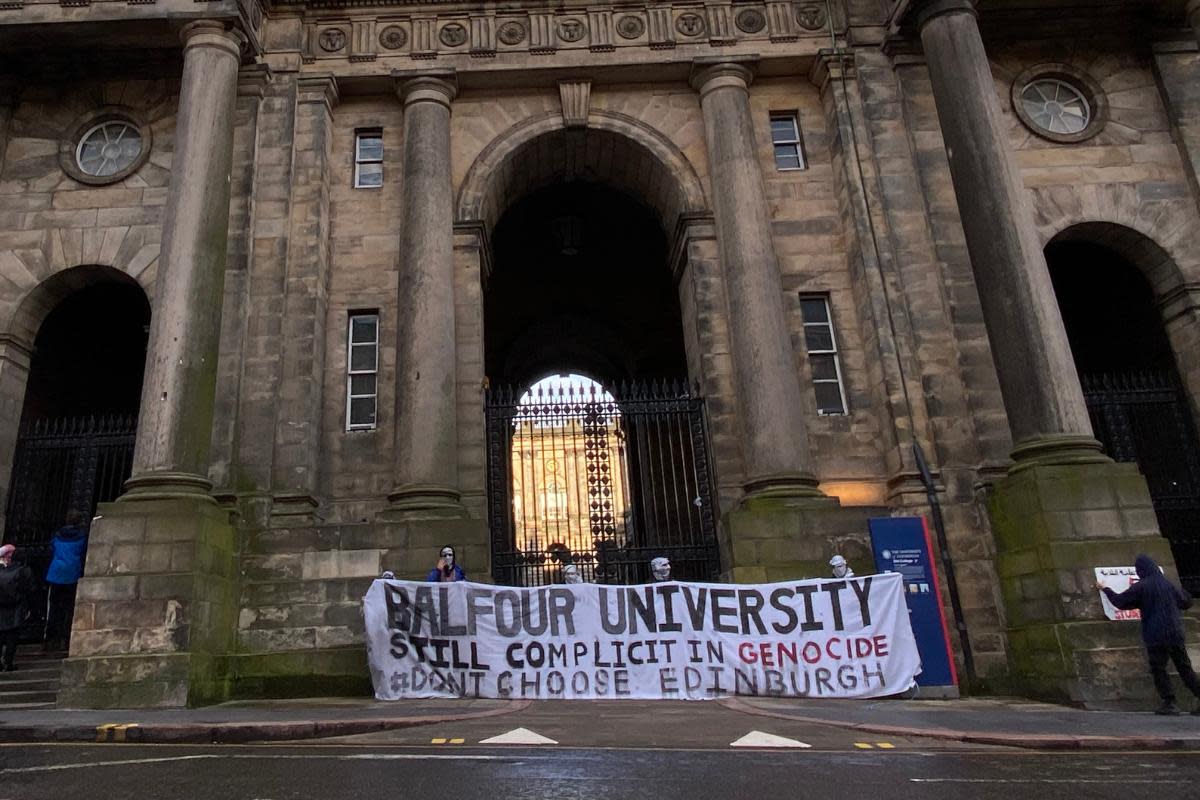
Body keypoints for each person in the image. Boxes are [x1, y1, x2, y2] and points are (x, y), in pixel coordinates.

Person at [1098, 553, 1200, 715]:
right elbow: (1186, 602)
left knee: (1158, 668)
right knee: (1184, 667)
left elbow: (1121, 602)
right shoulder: (1168, 584)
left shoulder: (1142, 586)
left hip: (1156, 634)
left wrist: (1106, 589)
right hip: (1175, 632)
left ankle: (1170, 702)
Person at [44, 510, 88, 652]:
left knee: (53, 609)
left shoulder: (57, 536)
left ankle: (50, 640)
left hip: (56, 574)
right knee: (69, 608)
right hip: (72, 574)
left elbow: (51, 549)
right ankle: (65, 638)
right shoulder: (81, 537)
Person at [0, 544, 32, 672]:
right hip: (16, 608)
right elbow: (28, 589)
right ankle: (8, 662)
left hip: (1, 607)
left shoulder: (2, 571)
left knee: (1, 636)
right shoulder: (22, 571)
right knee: (12, 637)